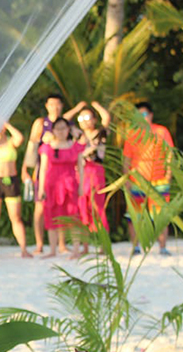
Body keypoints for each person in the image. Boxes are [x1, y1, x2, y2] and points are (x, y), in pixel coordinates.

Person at [123, 101, 174, 256]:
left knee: (161, 216)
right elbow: (126, 159)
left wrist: (168, 174)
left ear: (151, 115)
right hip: (137, 181)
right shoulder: (132, 134)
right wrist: (126, 179)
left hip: (159, 180)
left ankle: (162, 247)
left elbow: (170, 153)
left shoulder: (161, 131)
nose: (142, 117)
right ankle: (135, 247)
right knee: (134, 216)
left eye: (144, 114)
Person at [23, 94, 68, 253]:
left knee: (62, 208)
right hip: (42, 171)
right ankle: (39, 244)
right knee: (40, 208)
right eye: (51, 104)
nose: (55, 107)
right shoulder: (41, 123)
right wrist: (25, 169)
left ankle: (62, 244)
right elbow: (31, 147)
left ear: (61, 106)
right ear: (47, 106)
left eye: (57, 104)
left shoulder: (65, 124)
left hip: (62, 173)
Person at [38, 118, 85, 258]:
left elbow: (81, 168)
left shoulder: (75, 146)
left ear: (68, 129)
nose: (61, 131)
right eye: (58, 128)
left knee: (73, 216)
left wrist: (81, 185)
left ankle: (76, 250)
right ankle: (53, 250)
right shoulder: (47, 147)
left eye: (63, 128)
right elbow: (43, 169)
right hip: (52, 185)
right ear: (53, 130)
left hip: (70, 185)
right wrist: (41, 188)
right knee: (52, 216)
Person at [0, 122, 32, 259]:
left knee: (16, 217)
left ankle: (23, 249)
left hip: (11, 180)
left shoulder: (11, 142)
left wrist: (7, 124)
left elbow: (20, 138)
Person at [74, 103, 111, 255]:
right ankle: (85, 247)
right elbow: (61, 121)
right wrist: (77, 109)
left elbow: (106, 118)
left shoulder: (100, 133)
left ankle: (103, 245)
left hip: (95, 171)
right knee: (82, 207)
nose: (84, 121)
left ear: (94, 119)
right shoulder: (77, 135)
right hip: (80, 173)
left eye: (88, 117)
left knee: (97, 208)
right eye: (81, 118)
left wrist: (96, 105)